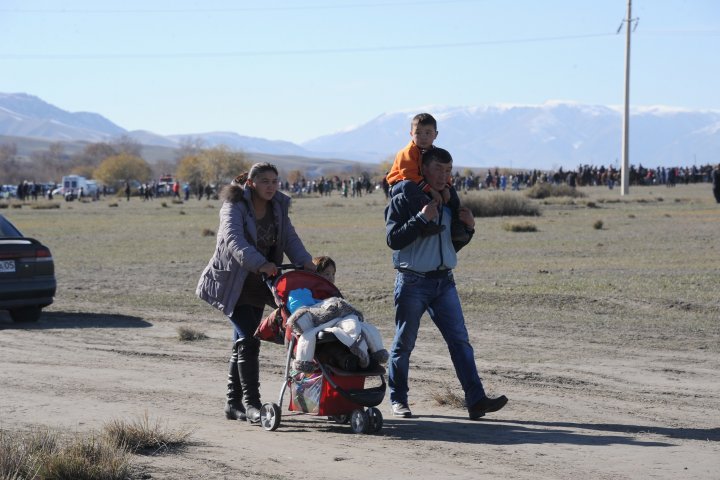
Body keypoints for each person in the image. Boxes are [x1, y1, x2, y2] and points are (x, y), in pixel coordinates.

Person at [385, 147, 507, 420]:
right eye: (438, 169)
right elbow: (393, 240)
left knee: (460, 342)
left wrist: (469, 228)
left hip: (444, 282)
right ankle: (398, 400)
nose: (444, 176)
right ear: (424, 169)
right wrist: (420, 218)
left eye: (448, 170)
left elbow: (450, 246)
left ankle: (476, 401)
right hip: (412, 282)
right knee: (404, 344)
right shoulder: (404, 197)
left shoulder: (450, 201)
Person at [196, 162, 315, 424]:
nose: (271, 187)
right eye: (265, 181)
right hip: (233, 283)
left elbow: (289, 237)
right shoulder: (234, 205)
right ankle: (251, 404)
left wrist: (306, 261)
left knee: (242, 340)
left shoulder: (278, 206)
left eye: (274, 181)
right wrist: (260, 262)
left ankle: (232, 404)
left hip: (261, 284)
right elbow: (233, 239)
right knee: (250, 340)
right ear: (251, 183)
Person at [385, 113, 468, 241]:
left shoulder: (435, 154)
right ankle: (425, 222)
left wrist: (446, 187)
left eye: (428, 133)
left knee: (451, 191)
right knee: (409, 186)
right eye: (418, 132)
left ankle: (457, 224)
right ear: (411, 134)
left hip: (420, 184)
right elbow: (409, 176)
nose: (423, 137)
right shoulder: (406, 152)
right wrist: (431, 190)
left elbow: (445, 172)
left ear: (436, 135)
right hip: (400, 185)